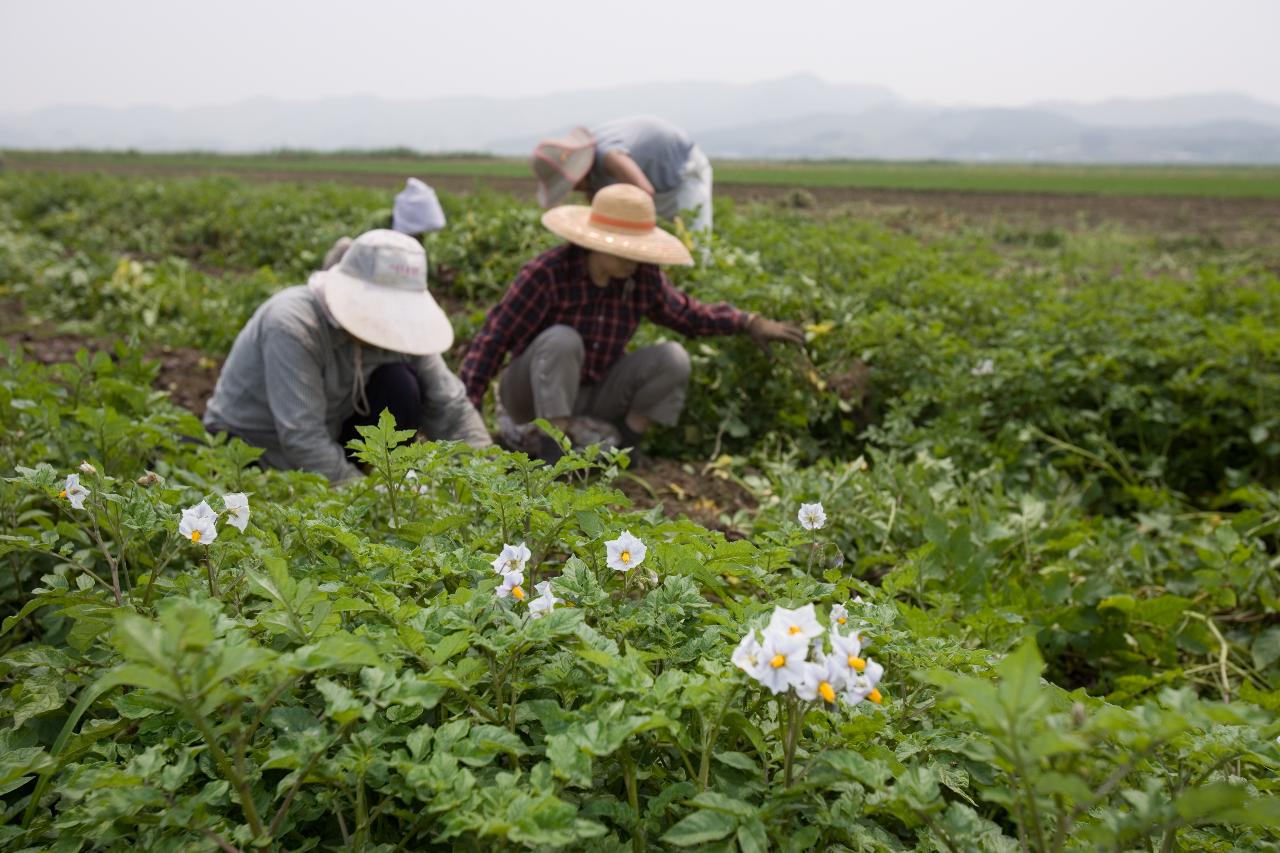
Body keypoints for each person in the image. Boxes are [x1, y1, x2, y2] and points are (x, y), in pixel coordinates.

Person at [459, 184, 803, 462]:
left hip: (593, 392)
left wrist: (749, 321)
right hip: (530, 395)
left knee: (673, 358)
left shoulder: (642, 278)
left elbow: (686, 314)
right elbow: (493, 338)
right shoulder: (548, 274)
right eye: (627, 250)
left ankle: (627, 447)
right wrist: (465, 414)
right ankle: (553, 455)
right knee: (563, 340)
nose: (635, 260)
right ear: (595, 245)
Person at [204, 229, 491, 484]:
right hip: (257, 451)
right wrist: (372, 503)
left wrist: (488, 478)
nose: (388, 324)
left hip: (331, 435)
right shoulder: (293, 325)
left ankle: (377, 479)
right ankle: (353, 487)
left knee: (399, 385)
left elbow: (451, 407)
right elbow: (302, 436)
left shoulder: (399, 332)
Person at [531, 116, 715, 237]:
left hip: (684, 170)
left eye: (570, 184)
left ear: (578, 171)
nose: (574, 189)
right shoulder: (592, 170)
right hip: (653, 181)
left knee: (694, 244)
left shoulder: (610, 156)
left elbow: (644, 193)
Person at [323, 177, 447, 270]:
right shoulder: (380, 222)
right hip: (362, 268)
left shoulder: (418, 237)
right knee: (344, 245)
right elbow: (362, 250)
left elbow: (421, 259)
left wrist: (436, 270)